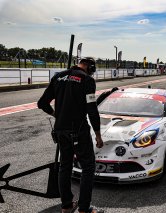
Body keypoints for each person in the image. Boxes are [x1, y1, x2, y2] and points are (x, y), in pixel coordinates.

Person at [37, 57, 103, 213]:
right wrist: (98, 134)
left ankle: (66, 206)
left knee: (65, 166)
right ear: (89, 67)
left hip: (60, 130)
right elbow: (92, 109)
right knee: (88, 167)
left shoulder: (58, 76)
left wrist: (56, 115)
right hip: (78, 130)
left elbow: (42, 103)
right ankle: (84, 209)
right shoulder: (87, 80)